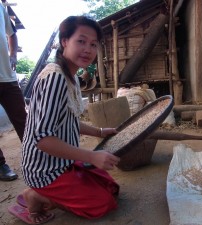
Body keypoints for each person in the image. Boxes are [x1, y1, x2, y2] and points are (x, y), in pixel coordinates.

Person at [8, 16, 120, 224]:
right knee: (103, 204)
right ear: (64, 41)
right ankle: (36, 195)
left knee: (111, 188)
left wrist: (99, 132)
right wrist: (91, 156)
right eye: (81, 41)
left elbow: (66, 122)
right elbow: (42, 139)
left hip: (63, 161)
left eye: (93, 44)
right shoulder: (55, 78)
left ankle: (56, 190)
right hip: (44, 168)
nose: (88, 49)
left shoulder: (71, 76)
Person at [0, 1, 27, 181]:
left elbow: (12, 34)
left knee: (23, 119)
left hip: (7, 77)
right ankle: (1, 166)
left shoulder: (0, 8)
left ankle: (39, 155)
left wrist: (13, 55)